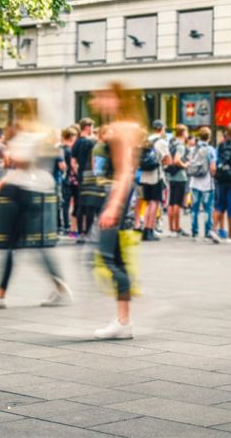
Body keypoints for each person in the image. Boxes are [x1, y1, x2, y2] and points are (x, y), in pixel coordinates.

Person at [0, 116, 73, 310]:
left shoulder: (25, 140)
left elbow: (22, 165)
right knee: (29, 248)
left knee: (11, 247)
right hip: (32, 193)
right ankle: (59, 289)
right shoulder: (36, 138)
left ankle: (0, 295)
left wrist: (3, 171)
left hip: (22, 195)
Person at [88, 82, 144, 339]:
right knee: (113, 257)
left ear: (116, 99)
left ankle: (124, 320)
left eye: (101, 96)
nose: (95, 101)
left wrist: (113, 205)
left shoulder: (121, 128)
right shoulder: (126, 126)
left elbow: (124, 173)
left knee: (107, 257)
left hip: (116, 196)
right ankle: (123, 321)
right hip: (119, 197)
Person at [135, 120, 172, 241]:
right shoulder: (161, 142)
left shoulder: (146, 140)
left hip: (144, 175)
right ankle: (149, 229)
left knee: (145, 202)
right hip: (156, 175)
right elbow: (168, 160)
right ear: (161, 129)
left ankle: (143, 227)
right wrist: (163, 163)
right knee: (154, 202)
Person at [188, 126, 217, 242]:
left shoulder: (193, 148)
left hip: (194, 182)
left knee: (194, 209)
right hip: (206, 183)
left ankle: (194, 232)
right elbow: (213, 167)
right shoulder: (210, 150)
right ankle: (207, 232)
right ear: (209, 137)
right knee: (207, 208)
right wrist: (213, 175)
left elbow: (190, 162)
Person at [70, 118, 97, 241]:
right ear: (87, 127)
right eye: (91, 126)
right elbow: (94, 160)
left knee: (80, 203)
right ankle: (88, 232)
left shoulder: (76, 142)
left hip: (81, 175)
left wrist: (77, 172)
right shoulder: (91, 142)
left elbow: (73, 161)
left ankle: (81, 232)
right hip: (90, 174)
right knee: (90, 204)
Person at [164, 125, 190, 237]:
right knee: (177, 203)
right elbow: (176, 160)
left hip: (172, 176)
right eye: (187, 132)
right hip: (180, 176)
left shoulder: (172, 143)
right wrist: (185, 165)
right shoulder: (180, 146)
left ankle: (171, 227)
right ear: (183, 133)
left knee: (171, 202)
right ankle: (176, 227)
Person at [56, 126, 77, 236]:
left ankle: (63, 225)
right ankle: (67, 226)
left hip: (63, 179)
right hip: (69, 179)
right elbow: (70, 166)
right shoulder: (69, 150)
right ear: (71, 138)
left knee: (64, 204)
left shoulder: (60, 149)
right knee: (68, 203)